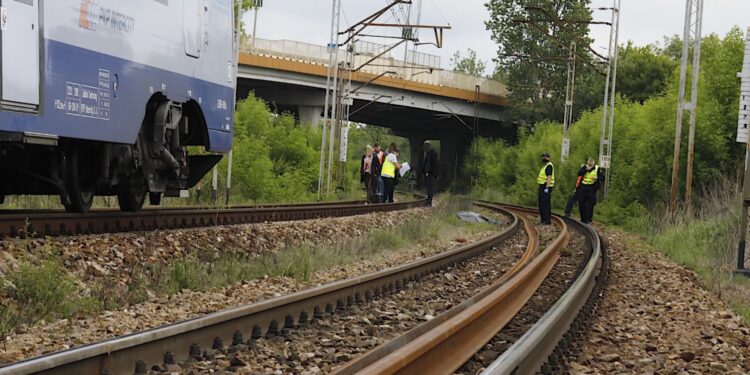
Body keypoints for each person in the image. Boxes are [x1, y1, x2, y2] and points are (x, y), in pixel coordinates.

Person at [579, 158, 603, 224]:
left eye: (591, 165)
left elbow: (602, 177)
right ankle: (583, 218)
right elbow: (579, 173)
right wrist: (585, 169)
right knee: (581, 203)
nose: (590, 166)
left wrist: (597, 178)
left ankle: (588, 219)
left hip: (592, 188)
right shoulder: (585, 167)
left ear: (593, 164)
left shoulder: (597, 168)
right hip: (583, 187)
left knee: (590, 204)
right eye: (589, 165)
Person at [537, 152, 555, 225]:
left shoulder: (549, 166)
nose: (543, 158)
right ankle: (543, 220)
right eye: (543, 157)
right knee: (541, 203)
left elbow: (549, 177)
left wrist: (547, 187)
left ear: (548, 158)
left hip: (546, 187)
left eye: (545, 157)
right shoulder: (545, 166)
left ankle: (547, 220)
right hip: (542, 186)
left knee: (545, 204)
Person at [422, 141, 439, 207]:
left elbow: (435, 164)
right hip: (427, 173)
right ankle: (428, 201)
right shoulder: (428, 153)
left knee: (430, 188)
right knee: (428, 187)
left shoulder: (434, 154)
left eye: (424, 146)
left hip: (431, 174)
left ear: (427, 146)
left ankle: (429, 203)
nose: (423, 148)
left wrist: (433, 173)